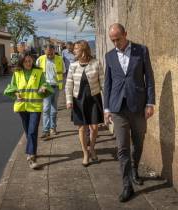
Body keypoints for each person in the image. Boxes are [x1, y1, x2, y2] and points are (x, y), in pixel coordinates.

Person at [104, 23, 155, 202]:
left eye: (118, 39)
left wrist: (150, 103)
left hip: (138, 106)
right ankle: (127, 185)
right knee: (122, 148)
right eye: (113, 40)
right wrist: (106, 108)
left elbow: (149, 77)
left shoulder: (141, 51)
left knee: (139, 143)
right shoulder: (109, 56)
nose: (116, 43)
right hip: (118, 108)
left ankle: (134, 168)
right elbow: (107, 83)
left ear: (126, 34)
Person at [4, 53, 53, 169]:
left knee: (32, 131)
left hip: (35, 106)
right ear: (22, 62)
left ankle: (31, 156)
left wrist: (43, 87)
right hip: (22, 106)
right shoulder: (17, 73)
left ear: (33, 61)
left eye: (30, 61)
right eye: (26, 61)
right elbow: (12, 86)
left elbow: (44, 84)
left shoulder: (38, 72)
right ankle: (32, 150)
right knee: (28, 131)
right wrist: (16, 93)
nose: (28, 63)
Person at [65, 40, 104, 167]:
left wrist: (107, 103)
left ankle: (92, 148)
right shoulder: (73, 65)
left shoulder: (96, 63)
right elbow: (69, 84)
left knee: (94, 127)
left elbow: (103, 83)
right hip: (78, 99)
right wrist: (69, 100)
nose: (73, 50)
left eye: (76, 49)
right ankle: (85, 153)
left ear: (83, 50)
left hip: (94, 99)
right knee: (82, 127)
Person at [36, 44, 65, 138]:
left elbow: (63, 71)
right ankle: (46, 130)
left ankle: (53, 128)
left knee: (54, 109)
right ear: (44, 51)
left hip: (56, 87)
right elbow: (36, 73)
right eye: (48, 53)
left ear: (54, 51)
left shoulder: (59, 59)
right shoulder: (40, 59)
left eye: (51, 53)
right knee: (46, 108)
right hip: (46, 87)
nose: (49, 55)